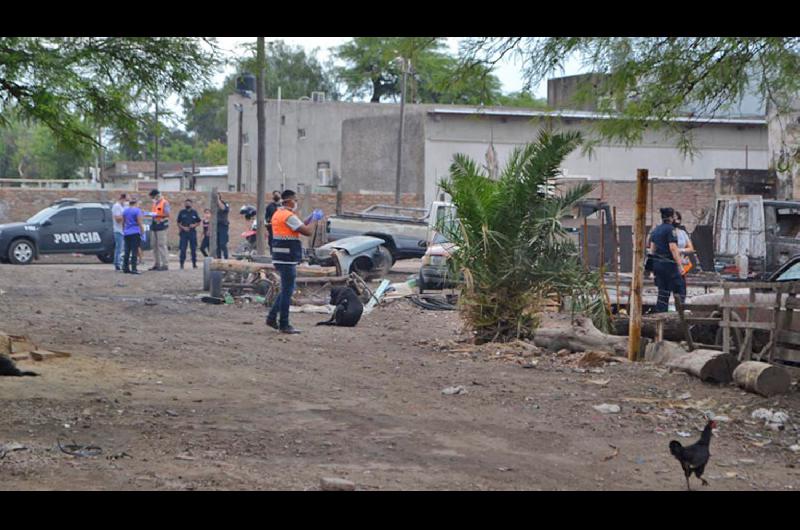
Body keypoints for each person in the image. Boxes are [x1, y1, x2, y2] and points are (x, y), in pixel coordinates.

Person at [266, 190, 323, 334]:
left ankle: (272, 317)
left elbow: (299, 225)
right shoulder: (288, 216)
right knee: (287, 291)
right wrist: (315, 220)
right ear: (289, 201)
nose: (296, 202)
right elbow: (308, 232)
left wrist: (310, 218)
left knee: (287, 289)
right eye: (295, 200)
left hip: (280, 256)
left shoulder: (279, 214)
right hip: (287, 257)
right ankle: (284, 323)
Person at [649, 207, 686, 313]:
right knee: (680, 287)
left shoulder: (656, 230)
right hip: (669, 265)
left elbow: (652, 250)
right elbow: (673, 248)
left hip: (658, 264)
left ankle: (661, 313)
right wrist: (680, 266)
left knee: (663, 291)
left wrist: (651, 269)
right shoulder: (670, 230)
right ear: (670, 217)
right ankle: (680, 312)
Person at [148, 189, 171, 271]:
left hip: (162, 226)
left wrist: (158, 215)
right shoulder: (155, 203)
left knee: (161, 245)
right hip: (154, 225)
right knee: (154, 245)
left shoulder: (165, 202)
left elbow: (167, 214)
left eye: (152, 196)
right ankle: (157, 264)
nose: (152, 198)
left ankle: (165, 264)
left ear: (156, 195)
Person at [122, 197, 145, 275]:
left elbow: (123, 222)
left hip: (127, 232)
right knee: (134, 251)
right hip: (135, 232)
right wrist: (142, 231)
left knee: (127, 251)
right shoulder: (137, 211)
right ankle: (134, 269)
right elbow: (139, 222)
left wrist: (124, 230)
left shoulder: (125, 211)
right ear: (136, 203)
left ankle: (125, 267)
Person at [177, 198, 202, 269]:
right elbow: (178, 222)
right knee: (183, 249)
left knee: (193, 249)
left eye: (188, 203)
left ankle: (194, 264)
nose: (187, 204)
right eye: (186, 203)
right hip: (184, 233)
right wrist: (183, 227)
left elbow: (199, 221)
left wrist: (194, 225)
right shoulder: (181, 212)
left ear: (191, 204)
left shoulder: (194, 212)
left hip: (192, 233)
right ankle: (181, 264)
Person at [111, 193, 127, 271]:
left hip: (123, 230)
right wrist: (126, 216)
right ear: (123, 199)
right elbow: (117, 219)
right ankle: (117, 264)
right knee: (119, 248)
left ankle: (120, 263)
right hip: (118, 230)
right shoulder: (117, 206)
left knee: (122, 248)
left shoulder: (122, 206)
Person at [215, 192, 230, 259]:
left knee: (222, 244)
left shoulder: (224, 203)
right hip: (215, 226)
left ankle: (226, 258)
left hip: (223, 226)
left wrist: (218, 199)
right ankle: (218, 259)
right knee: (217, 245)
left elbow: (223, 208)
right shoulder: (213, 205)